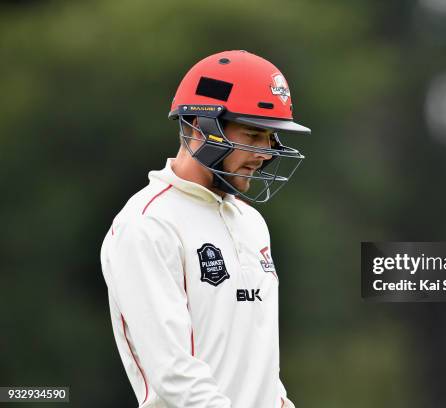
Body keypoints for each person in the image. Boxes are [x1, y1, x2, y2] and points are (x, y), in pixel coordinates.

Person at [100, 50, 310, 408]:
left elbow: (260, 368)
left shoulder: (251, 223)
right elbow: (174, 375)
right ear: (200, 126)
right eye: (253, 135)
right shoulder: (148, 225)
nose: (265, 153)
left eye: (270, 138)